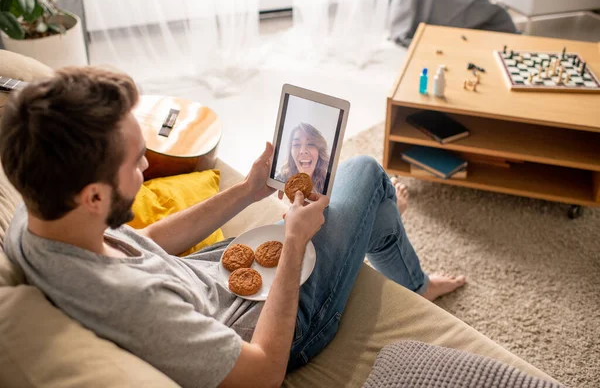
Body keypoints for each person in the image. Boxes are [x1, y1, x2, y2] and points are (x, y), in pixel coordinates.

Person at [0, 67, 466, 388]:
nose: (146, 164)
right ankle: (410, 273)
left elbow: (142, 243)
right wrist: (295, 238)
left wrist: (247, 191)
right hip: (273, 327)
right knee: (366, 173)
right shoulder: (136, 306)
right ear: (95, 197)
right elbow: (263, 372)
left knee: (369, 200)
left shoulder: (37, 218)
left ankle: (389, 243)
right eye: (134, 161)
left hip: (219, 275)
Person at [277, 122, 329, 194]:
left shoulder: (328, 183)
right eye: (297, 144)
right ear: (291, 153)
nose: (303, 151)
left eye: (310, 144)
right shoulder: (280, 181)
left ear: (319, 152)